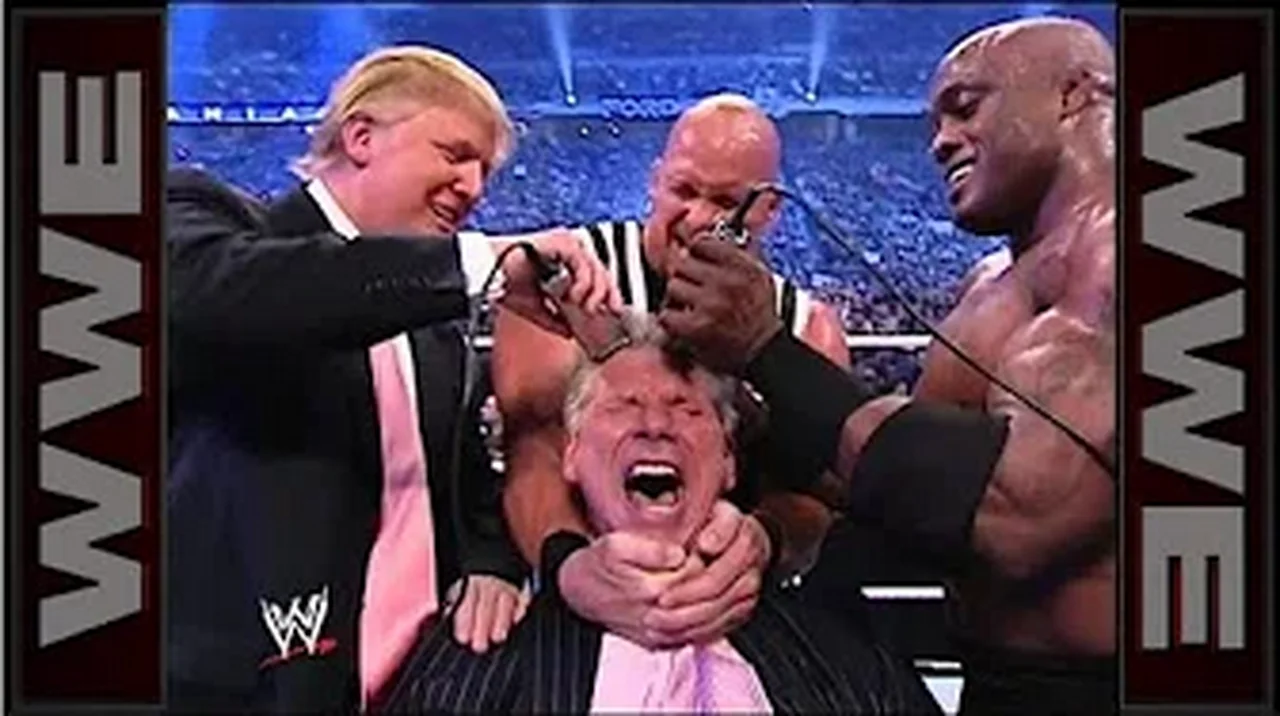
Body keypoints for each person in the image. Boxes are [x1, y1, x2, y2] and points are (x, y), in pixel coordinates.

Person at [657, 17, 1117, 714]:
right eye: (936, 121)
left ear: (1074, 95)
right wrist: (742, 419)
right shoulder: (987, 289)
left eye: (966, 107)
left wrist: (769, 351)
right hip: (995, 676)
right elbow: (906, 494)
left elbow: (1023, 521)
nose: (940, 141)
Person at [167, 45, 620, 713]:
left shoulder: (438, 327)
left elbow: (465, 477)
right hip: (242, 686)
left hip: (420, 686)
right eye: (455, 153)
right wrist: (482, 262)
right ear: (361, 137)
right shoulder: (208, 222)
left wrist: (490, 562)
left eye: (485, 171)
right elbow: (243, 297)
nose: (474, 187)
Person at [381, 312, 940, 714]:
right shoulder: (482, 657)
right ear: (572, 457)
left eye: (685, 408)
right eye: (624, 406)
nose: (654, 425)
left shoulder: (843, 658)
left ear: (728, 461)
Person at [491, 93, 852, 651]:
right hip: (573, 611)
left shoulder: (806, 325)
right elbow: (533, 452)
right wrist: (574, 568)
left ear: (768, 211)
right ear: (655, 182)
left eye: (726, 201)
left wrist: (762, 541)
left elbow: (813, 499)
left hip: (738, 613)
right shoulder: (565, 281)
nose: (700, 218)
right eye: (684, 191)